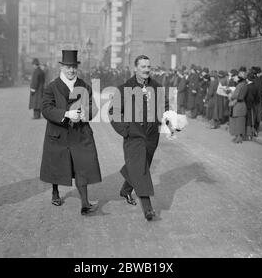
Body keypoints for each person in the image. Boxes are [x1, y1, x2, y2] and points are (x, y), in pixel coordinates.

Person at [40, 50, 102, 215]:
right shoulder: (52, 87)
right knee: (56, 164)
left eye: (74, 67)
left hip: (80, 133)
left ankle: (85, 203)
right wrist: (66, 114)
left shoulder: (84, 86)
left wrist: (85, 114)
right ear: (61, 67)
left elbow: (93, 107)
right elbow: (46, 109)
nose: (71, 71)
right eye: (68, 67)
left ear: (77, 68)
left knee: (82, 165)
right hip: (58, 132)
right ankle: (55, 192)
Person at [109, 55, 169, 221]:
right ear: (135, 68)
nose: (146, 70)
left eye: (148, 67)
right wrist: (125, 130)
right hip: (133, 136)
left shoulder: (157, 87)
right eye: (143, 66)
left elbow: (164, 107)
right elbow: (114, 112)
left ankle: (126, 189)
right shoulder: (124, 88)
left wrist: (169, 120)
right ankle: (148, 208)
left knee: (140, 166)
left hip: (151, 136)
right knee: (141, 169)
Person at [229, 71, 247, 143]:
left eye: (237, 77)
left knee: (237, 122)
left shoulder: (239, 85)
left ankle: (238, 138)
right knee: (240, 122)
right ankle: (238, 137)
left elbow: (235, 95)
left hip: (237, 105)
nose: (236, 78)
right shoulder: (245, 84)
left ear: (240, 78)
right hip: (242, 104)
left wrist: (230, 95)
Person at [244, 72, 260, 140]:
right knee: (252, 119)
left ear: (247, 79)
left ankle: (249, 134)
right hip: (254, 105)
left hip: (247, 105)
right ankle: (254, 132)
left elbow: (247, 97)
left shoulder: (247, 87)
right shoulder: (256, 86)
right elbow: (258, 98)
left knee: (248, 120)